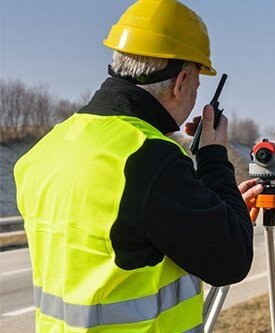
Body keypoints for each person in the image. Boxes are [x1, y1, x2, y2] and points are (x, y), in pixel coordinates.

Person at [13, 0, 262, 331]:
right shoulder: (150, 158)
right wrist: (214, 157)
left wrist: (211, 215)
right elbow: (230, 260)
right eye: (198, 83)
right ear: (182, 81)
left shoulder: (44, 151)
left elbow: (127, 238)